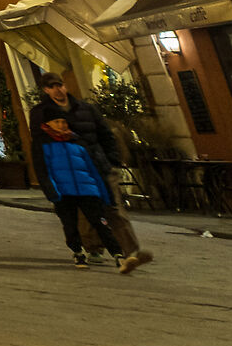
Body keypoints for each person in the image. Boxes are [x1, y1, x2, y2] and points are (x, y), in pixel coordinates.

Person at [31, 70, 150, 273]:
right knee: (85, 214)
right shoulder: (42, 112)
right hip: (68, 170)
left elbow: (105, 134)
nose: (57, 89)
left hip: (98, 165)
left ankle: (131, 253)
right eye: (52, 86)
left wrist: (111, 159)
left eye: (59, 84)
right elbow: (39, 142)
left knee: (113, 208)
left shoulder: (86, 108)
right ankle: (93, 248)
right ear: (45, 90)